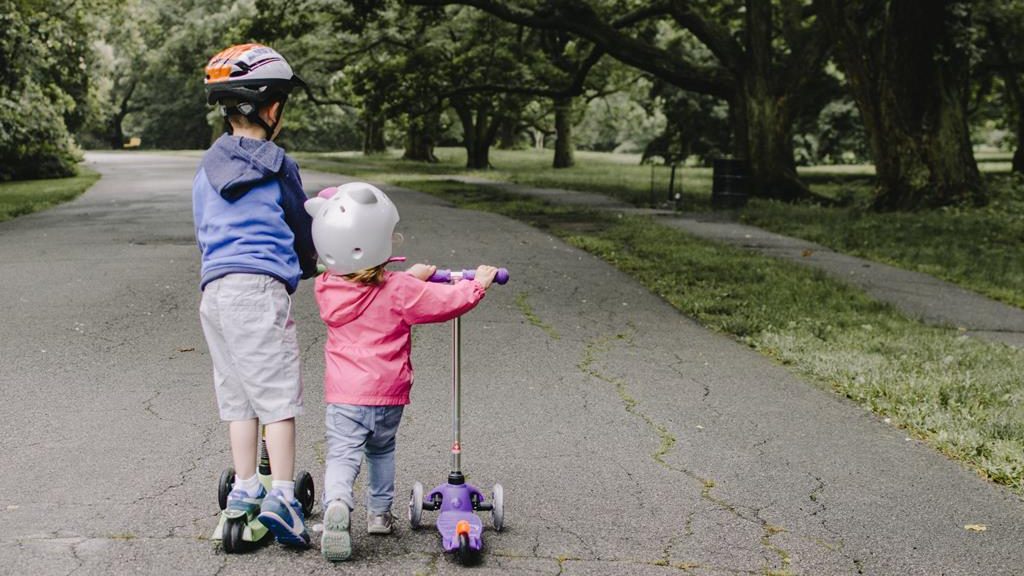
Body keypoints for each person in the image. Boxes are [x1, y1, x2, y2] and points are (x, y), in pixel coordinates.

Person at [303, 182, 498, 561]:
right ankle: (379, 515)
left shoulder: (328, 287)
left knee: (343, 455)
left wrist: (411, 276)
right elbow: (444, 301)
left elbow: (369, 284)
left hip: (344, 394)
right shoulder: (399, 290)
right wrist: (477, 285)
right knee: (381, 451)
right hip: (387, 394)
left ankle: (337, 504)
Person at [193, 43, 316, 548]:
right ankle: (284, 496)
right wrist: (311, 264)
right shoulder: (277, 164)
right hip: (258, 291)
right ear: (271, 109)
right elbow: (301, 222)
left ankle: (244, 489)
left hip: (215, 293)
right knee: (278, 398)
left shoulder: (206, 168)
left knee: (238, 398)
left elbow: (204, 229)